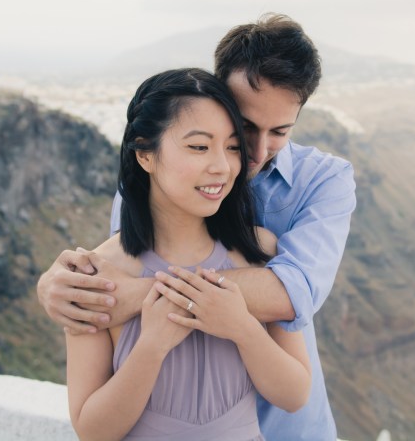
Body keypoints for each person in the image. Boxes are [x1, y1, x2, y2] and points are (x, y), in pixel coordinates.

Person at [39, 14, 357, 441]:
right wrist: (66, 288)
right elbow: (127, 267)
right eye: (243, 128)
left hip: (290, 431)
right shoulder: (150, 187)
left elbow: (290, 293)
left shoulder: (323, 184)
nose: (255, 152)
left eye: (280, 131)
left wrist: (128, 293)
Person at [67, 68, 311, 440]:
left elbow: (294, 395)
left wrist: (243, 329)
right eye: (199, 146)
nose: (222, 167)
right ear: (145, 153)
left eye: (232, 147)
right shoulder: (98, 273)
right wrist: (151, 346)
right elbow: (92, 431)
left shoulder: (260, 252)